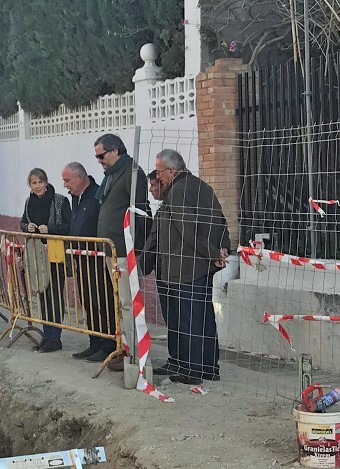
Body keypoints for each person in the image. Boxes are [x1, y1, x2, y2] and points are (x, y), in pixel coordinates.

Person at [150, 149, 230, 386]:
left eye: (159, 171)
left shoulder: (177, 191)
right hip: (202, 266)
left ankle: (193, 370)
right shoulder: (202, 186)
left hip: (185, 267)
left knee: (189, 321)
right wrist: (220, 249)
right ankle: (208, 367)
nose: (157, 176)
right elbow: (220, 220)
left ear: (171, 171)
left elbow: (188, 232)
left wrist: (214, 252)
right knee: (204, 318)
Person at [92, 133, 151, 369]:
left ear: (115, 151)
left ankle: (135, 354)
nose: (99, 161)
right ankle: (125, 349)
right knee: (120, 303)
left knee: (128, 303)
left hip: (125, 250)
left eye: (101, 155)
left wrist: (135, 248)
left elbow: (139, 211)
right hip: (111, 249)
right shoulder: (112, 175)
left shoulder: (132, 173)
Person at [61, 162, 114, 364]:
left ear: (80, 178)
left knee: (101, 301)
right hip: (80, 257)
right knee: (87, 301)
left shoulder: (97, 195)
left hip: (96, 258)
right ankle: (94, 342)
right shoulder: (75, 198)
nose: (65, 185)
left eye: (67, 180)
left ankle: (107, 344)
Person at [20, 168, 70, 353]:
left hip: (55, 255)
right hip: (37, 256)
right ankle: (46, 335)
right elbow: (22, 222)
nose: (38, 186)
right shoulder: (28, 202)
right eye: (34, 183)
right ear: (30, 185)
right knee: (43, 294)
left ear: (46, 182)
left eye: (41, 182)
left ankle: (55, 338)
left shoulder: (60, 201)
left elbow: (68, 226)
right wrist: (28, 227)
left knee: (55, 295)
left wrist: (50, 229)